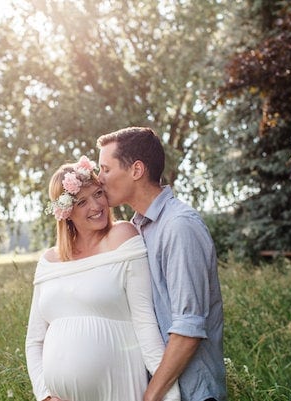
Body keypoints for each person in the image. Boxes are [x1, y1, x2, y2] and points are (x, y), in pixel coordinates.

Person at [25, 155, 180, 401]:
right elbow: (34, 341)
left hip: (120, 388)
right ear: (65, 212)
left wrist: (168, 394)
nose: (96, 207)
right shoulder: (48, 261)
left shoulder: (123, 237)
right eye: (82, 202)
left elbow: (144, 321)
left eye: (98, 194)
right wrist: (44, 395)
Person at [97, 127, 227, 401]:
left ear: (136, 170)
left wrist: (150, 396)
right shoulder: (135, 230)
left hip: (192, 394)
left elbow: (188, 328)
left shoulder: (179, 226)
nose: (99, 180)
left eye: (105, 169)